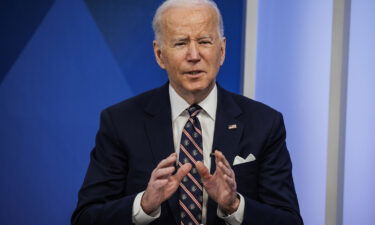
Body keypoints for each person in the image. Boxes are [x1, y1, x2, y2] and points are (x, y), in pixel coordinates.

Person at [71, 0, 303, 224]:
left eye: (204, 41)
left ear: (221, 51)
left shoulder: (264, 123)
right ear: (160, 54)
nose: (194, 55)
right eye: (181, 43)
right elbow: (85, 218)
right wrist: (143, 205)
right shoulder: (120, 122)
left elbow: (289, 220)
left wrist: (234, 206)